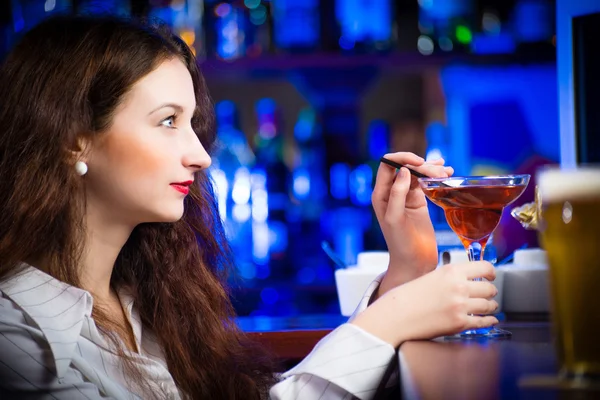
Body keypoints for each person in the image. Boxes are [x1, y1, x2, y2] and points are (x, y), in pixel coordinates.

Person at [0, 15, 499, 400]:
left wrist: (406, 267)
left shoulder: (146, 302)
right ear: (74, 142)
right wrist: (388, 321)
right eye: (168, 121)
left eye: (193, 122)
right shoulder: (17, 335)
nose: (198, 154)